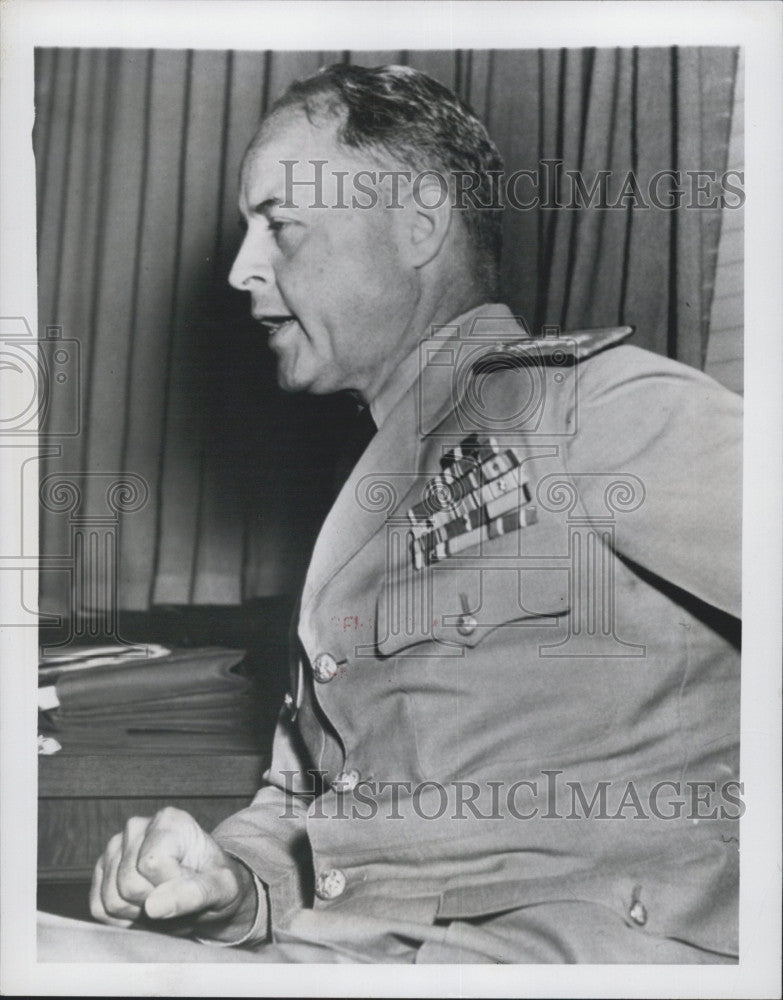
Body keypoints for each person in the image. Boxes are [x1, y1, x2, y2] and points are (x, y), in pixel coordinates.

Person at [85, 64, 742, 963]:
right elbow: (322, 805)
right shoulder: (371, 496)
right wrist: (232, 884)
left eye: (279, 226)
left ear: (419, 221)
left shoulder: (594, 408)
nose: (243, 269)